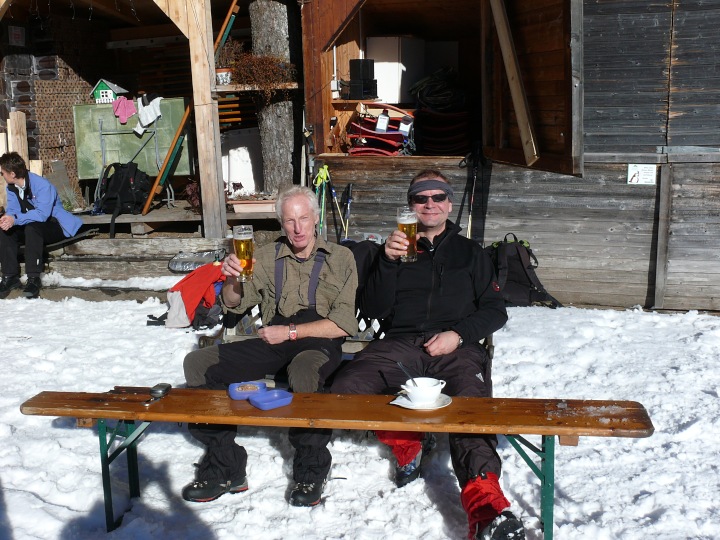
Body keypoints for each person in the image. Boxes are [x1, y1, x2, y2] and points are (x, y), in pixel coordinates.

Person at [330, 170, 525, 540]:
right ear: (411, 205)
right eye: (422, 198)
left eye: (438, 197)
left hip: (456, 348)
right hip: (400, 344)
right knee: (348, 387)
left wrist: (457, 334)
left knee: (470, 408)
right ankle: (408, 443)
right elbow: (372, 307)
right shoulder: (397, 249)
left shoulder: (471, 253)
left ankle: (486, 508)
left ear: (449, 204)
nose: (430, 204)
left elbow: (495, 310)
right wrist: (386, 262)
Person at [182, 185, 358, 507]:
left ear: (316, 218)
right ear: (281, 222)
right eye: (290, 220)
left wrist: (291, 332)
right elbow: (234, 305)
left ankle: (310, 469)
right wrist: (232, 279)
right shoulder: (262, 256)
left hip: (317, 342)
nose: (298, 228)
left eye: (304, 218)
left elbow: (343, 324)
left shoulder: (341, 258)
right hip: (273, 340)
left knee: (303, 371)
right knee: (197, 364)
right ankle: (225, 465)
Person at [0, 152, 82, 299]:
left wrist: (16, 219)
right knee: (4, 230)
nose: (2, 176)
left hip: (54, 224)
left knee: (33, 228)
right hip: (30, 224)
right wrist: (8, 218)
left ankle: (33, 278)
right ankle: (10, 276)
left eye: (2, 173)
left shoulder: (42, 185)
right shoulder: (11, 187)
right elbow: (13, 210)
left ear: (12, 174)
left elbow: (42, 215)